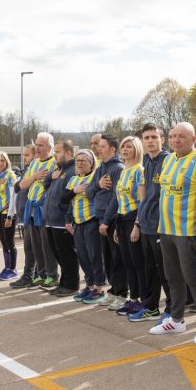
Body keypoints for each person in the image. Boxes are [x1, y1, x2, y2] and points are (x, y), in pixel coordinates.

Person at [149, 122, 196, 337]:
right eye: (172, 136)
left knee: (192, 278)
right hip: (166, 229)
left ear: (193, 139)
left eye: (181, 136)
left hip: (189, 231)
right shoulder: (168, 159)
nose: (175, 140)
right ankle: (176, 319)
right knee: (172, 277)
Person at [129, 122, 171, 322]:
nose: (150, 141)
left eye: (154, 137)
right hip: (146, 224)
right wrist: (137, 224)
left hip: (161, 226)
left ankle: (172, 310)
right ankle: (151, 307)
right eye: (146, 138)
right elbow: (143, 197)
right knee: (150, 270)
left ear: (162, 139)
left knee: (166, 271)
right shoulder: (145, 162)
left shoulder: (169, 161)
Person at [87, 134, 128, 309]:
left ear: (112, 149)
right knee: (108, 258)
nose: (98, 149)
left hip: (111, 220)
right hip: (100, 218)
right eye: (98, 146)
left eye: (102, 146)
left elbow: (116, 198)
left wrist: (106, 221)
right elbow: (88, 192)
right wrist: (98, 185)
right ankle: (113, 290)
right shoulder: (100, 168)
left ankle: (122, 293)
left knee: (117, 258)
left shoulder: (118, 168)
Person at [109, 137, 147, 316]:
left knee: (138, 262)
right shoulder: (124, 171)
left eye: (129, 146)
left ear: (137, 149)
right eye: (123, 146)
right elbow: (119, 200)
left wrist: (137, 225)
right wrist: (117, 227)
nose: (125, 149)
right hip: (122, 219)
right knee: (128, 263)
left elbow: (142, 201)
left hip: (134, 218)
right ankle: (133, 299)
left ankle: (143, 300)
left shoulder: (139, 170)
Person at [18, 132, 58, 289]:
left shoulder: (54, 163)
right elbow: (22, 185)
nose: (37, 148)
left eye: (41, 145)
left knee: (47, 245)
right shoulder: (34, 164)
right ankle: (41, 275)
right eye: (36, 145)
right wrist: (34, 176)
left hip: (44, 209)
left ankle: (52, 276)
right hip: (31, 210)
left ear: (49, 147)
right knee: (36, 246)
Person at [66, 149, 105, 303]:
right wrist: (68, 219)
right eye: (77, 160)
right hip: (77, 223)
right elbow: (67, 200)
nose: (80, 163)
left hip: (92, 220)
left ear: (91, 163)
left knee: (94, 256)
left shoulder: (95, 177)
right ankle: (89, 286)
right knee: (83, 257)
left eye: (84, 160)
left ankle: (99, 288)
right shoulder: (72, 180)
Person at [45, 140, 80, 296]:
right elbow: (46, 186)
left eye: (57, 152)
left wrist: (68, 219)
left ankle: (72, 285)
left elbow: (71, 198)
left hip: (62, 221)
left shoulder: (72, 171)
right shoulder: (58, 170)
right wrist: (50, 176)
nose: (54, 155)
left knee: (67, 255)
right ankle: (64, 283)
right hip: (51, 221)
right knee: (59, 254)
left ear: (68, 153)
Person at [9, 144, 38, 289]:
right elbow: (17, 187)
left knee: (32, 248)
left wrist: (22, 183)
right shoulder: (28, 170)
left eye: (27, 155)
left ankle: (31, 276)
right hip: (26, 216)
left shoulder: (35, 170)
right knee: (29, 248)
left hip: (33, 216)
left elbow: (20, 186)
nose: (24, 157)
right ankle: (30, 275)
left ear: (35, 155)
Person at [0, 151, 18, 280]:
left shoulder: (10, 176)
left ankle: (12, 269)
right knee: (3, 241)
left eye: (3, 160)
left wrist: (10, 217)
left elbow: (13, 197)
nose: (0, 163)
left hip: (8, 213)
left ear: (7, 162)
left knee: (9, 241)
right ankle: (7, 268)